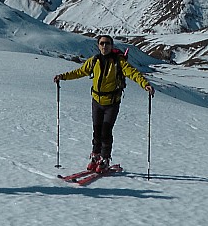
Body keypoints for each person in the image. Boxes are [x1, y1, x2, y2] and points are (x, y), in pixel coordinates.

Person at [53, 35, 154, 173]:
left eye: (107, 43)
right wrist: (63, 77)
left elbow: (133, 73)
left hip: (112, 102)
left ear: (112, 46)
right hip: (96, 101)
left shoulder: (119, 62)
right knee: (96, 130)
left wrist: (145, 85)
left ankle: (105, 158)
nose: (104, 46)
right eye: (102, 43)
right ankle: (96, 156)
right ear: (98, 45)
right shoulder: (94, 61)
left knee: (106, 132)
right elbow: (80, 71)